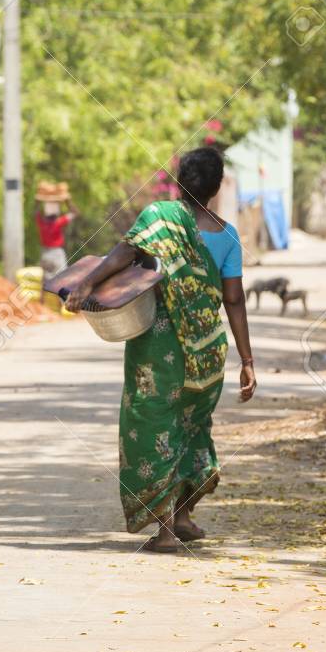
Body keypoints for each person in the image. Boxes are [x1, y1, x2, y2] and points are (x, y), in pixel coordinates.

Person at [66, 146, 256, 552]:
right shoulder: (228, 236)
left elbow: (124, 253)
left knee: (154, 430)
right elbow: (234, 300)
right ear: (216, 188)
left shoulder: (158, 218)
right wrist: (248, 360)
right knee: (192, 430)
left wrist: (84, 283)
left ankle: (169, 528)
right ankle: (183, 515)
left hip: (158, 347)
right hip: (207, 352)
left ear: (178, 182)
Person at [34, 181, 77, 277]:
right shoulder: (58, 222)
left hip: (45, 254)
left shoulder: (41, 222)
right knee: (62, 280)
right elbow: (75, 213)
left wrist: (38, 199)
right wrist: (67, 200)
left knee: (47, 284)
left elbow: (35, 212)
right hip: (57, 254)